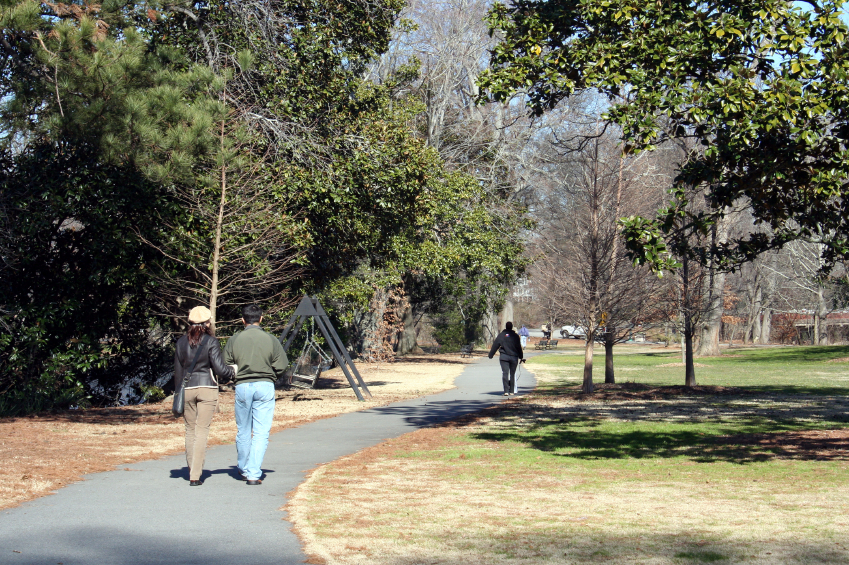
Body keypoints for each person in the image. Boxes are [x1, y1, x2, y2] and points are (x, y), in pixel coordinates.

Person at [223, 304, 288, 485]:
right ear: (261, 318)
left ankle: (243, 468)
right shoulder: (271, 339)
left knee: (243, 429)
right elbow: (282, 365)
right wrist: (271, 373)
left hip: (243, 386)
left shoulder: (234, 340)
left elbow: (225, 365)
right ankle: (253, 473)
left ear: (242, 320)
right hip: (265, 385)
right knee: (261, 432)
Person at [174, 306, 235, 486]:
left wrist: (178, 392)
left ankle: (192, 470)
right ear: (207, 323)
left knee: (190, 430)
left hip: (187, 389)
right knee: (202, 431)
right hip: (207, 388)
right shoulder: (211, 341)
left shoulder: (180, 343)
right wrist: (233, 372)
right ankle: (195, 474)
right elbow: (219, 369)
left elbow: (178, 372)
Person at [488, 321, 524, 396]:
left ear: (505, 327)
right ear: (511, 327)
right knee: (512, 373)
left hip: (504, 357)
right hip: (514, 357)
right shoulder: (515, 336)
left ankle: (506, 391)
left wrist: (491, 354)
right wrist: (521, 356)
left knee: (505, 373)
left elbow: (495, 345)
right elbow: (518, 347)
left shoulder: (501, 335)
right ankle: (511, 391)